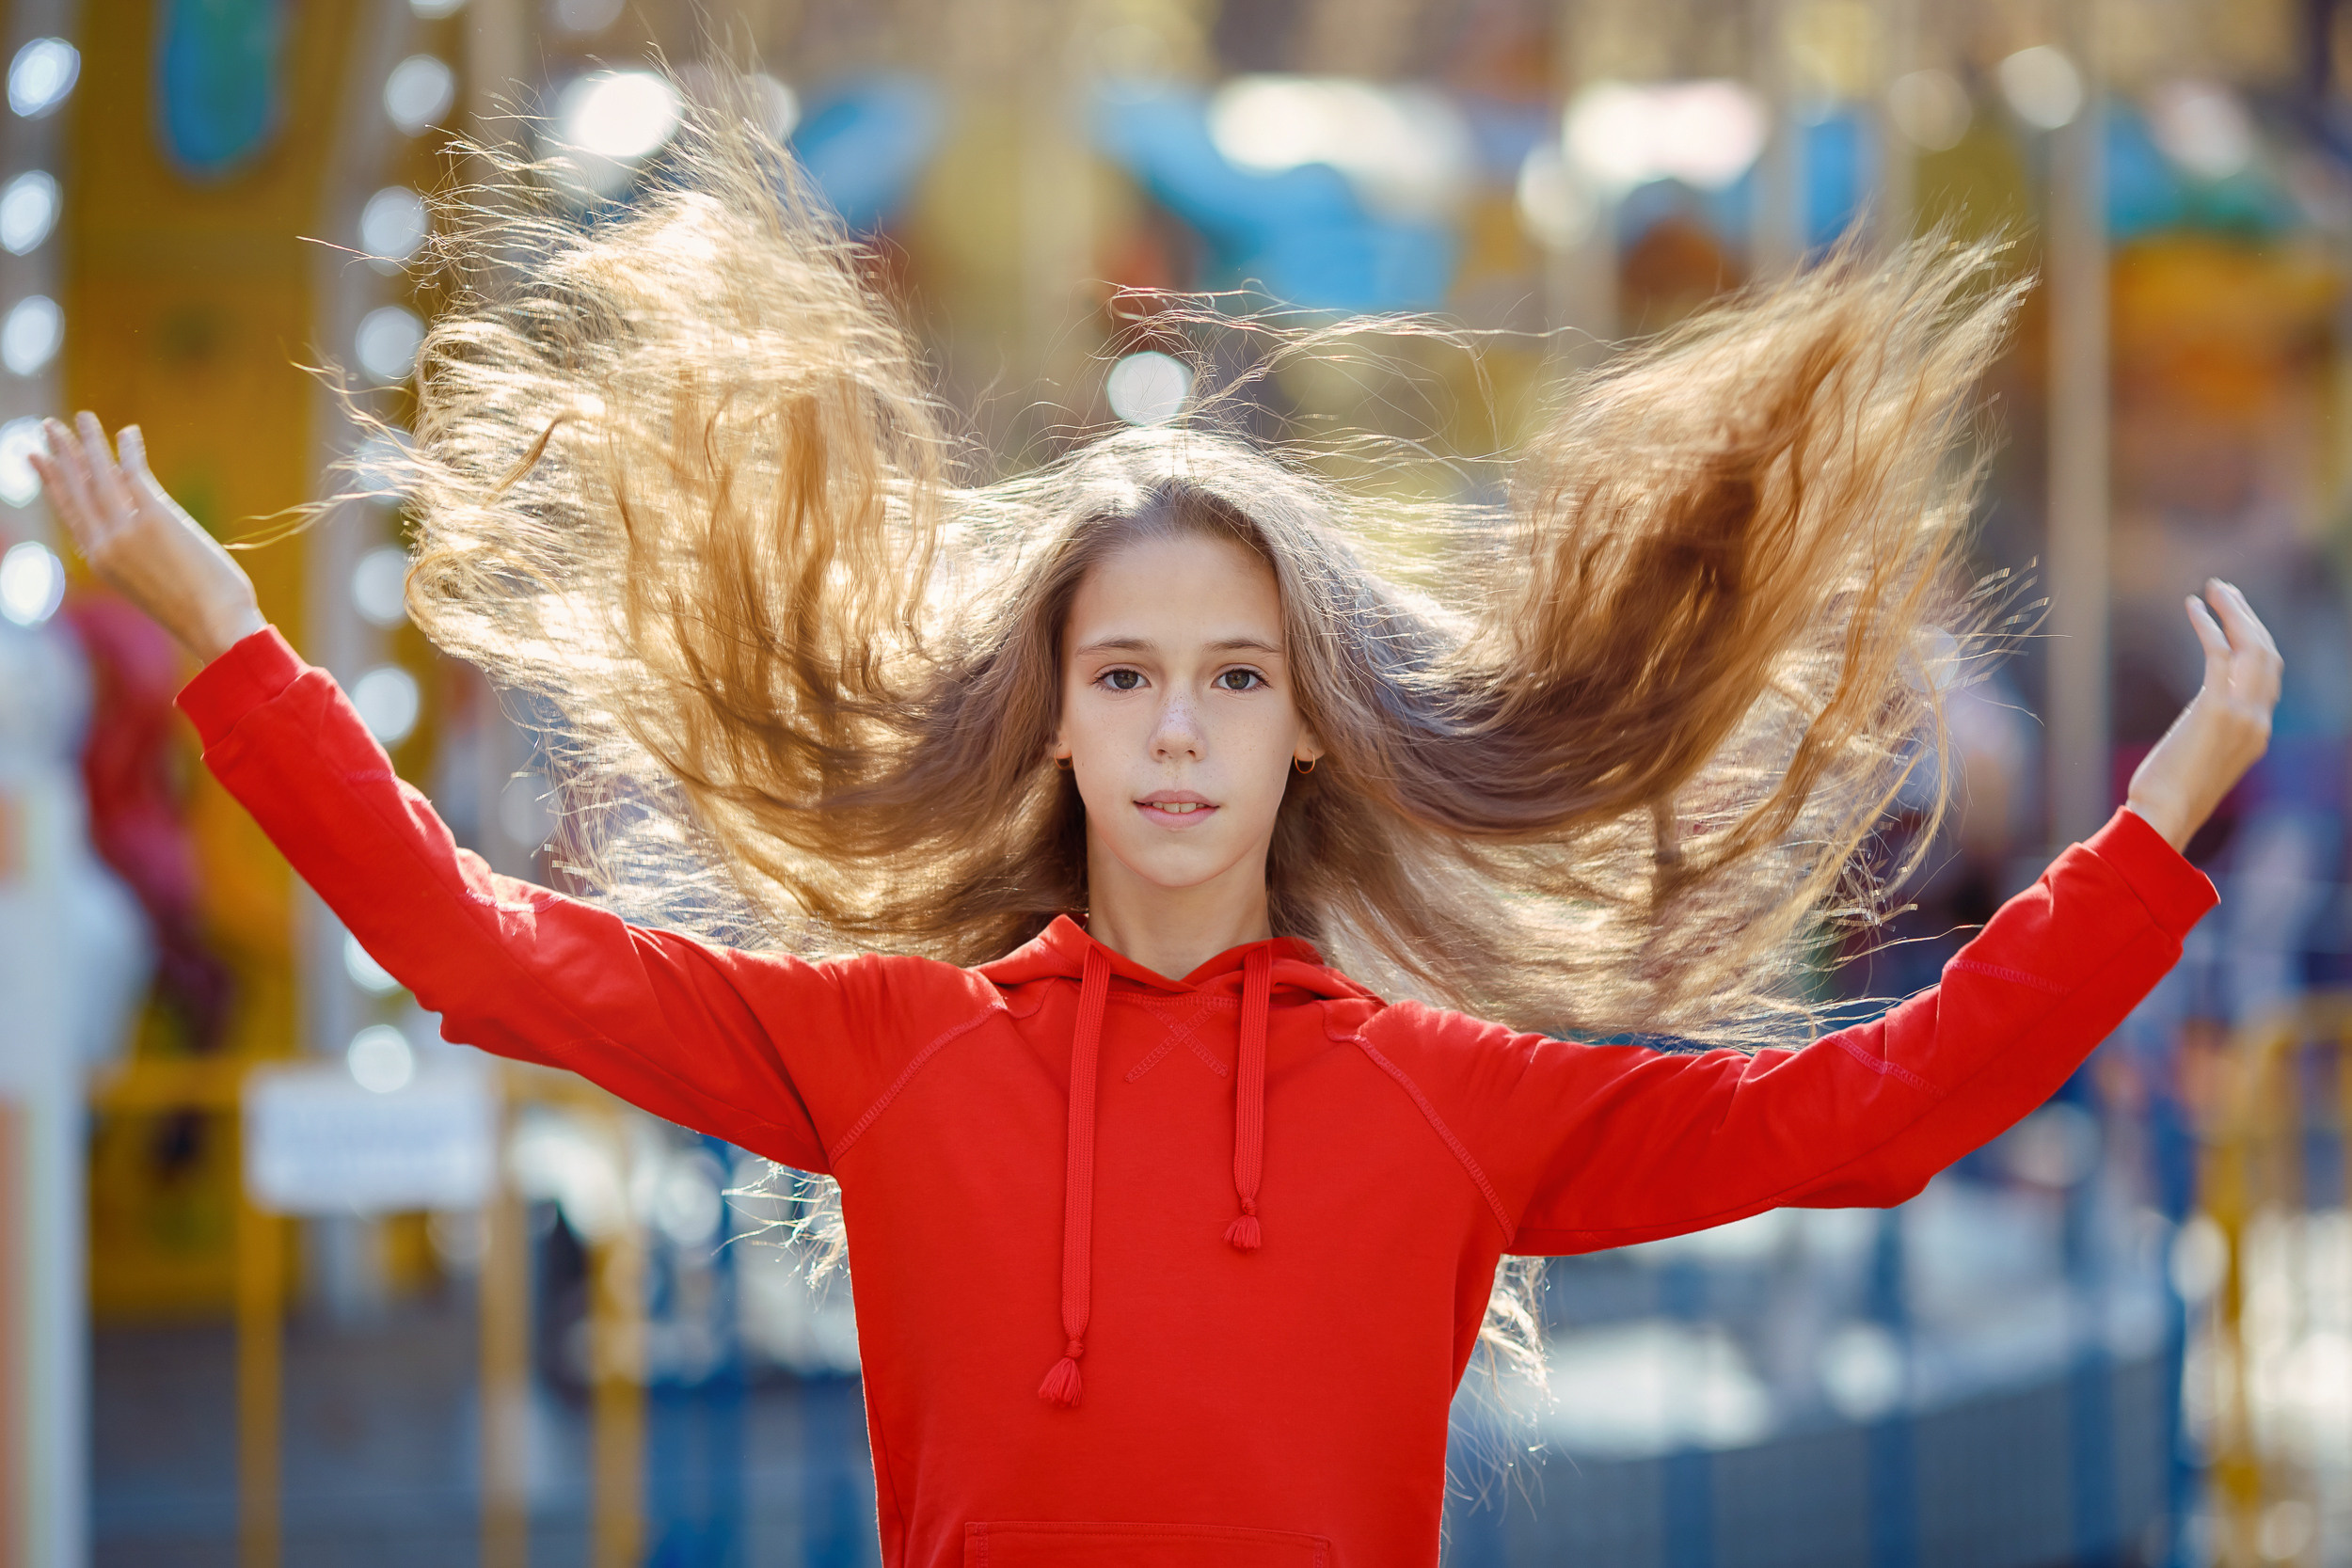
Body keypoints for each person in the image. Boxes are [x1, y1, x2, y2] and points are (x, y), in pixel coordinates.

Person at [37, 113, 2279, 1568]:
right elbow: (484, 953)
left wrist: (2153, 827)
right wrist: (232, 646)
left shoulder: (1451, 1095)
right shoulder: (886, 1047)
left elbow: (1869, 1117)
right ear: (1060, 724)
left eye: (1230, 677)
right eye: (1125, 678)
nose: (1178, 729)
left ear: (1307, 729)